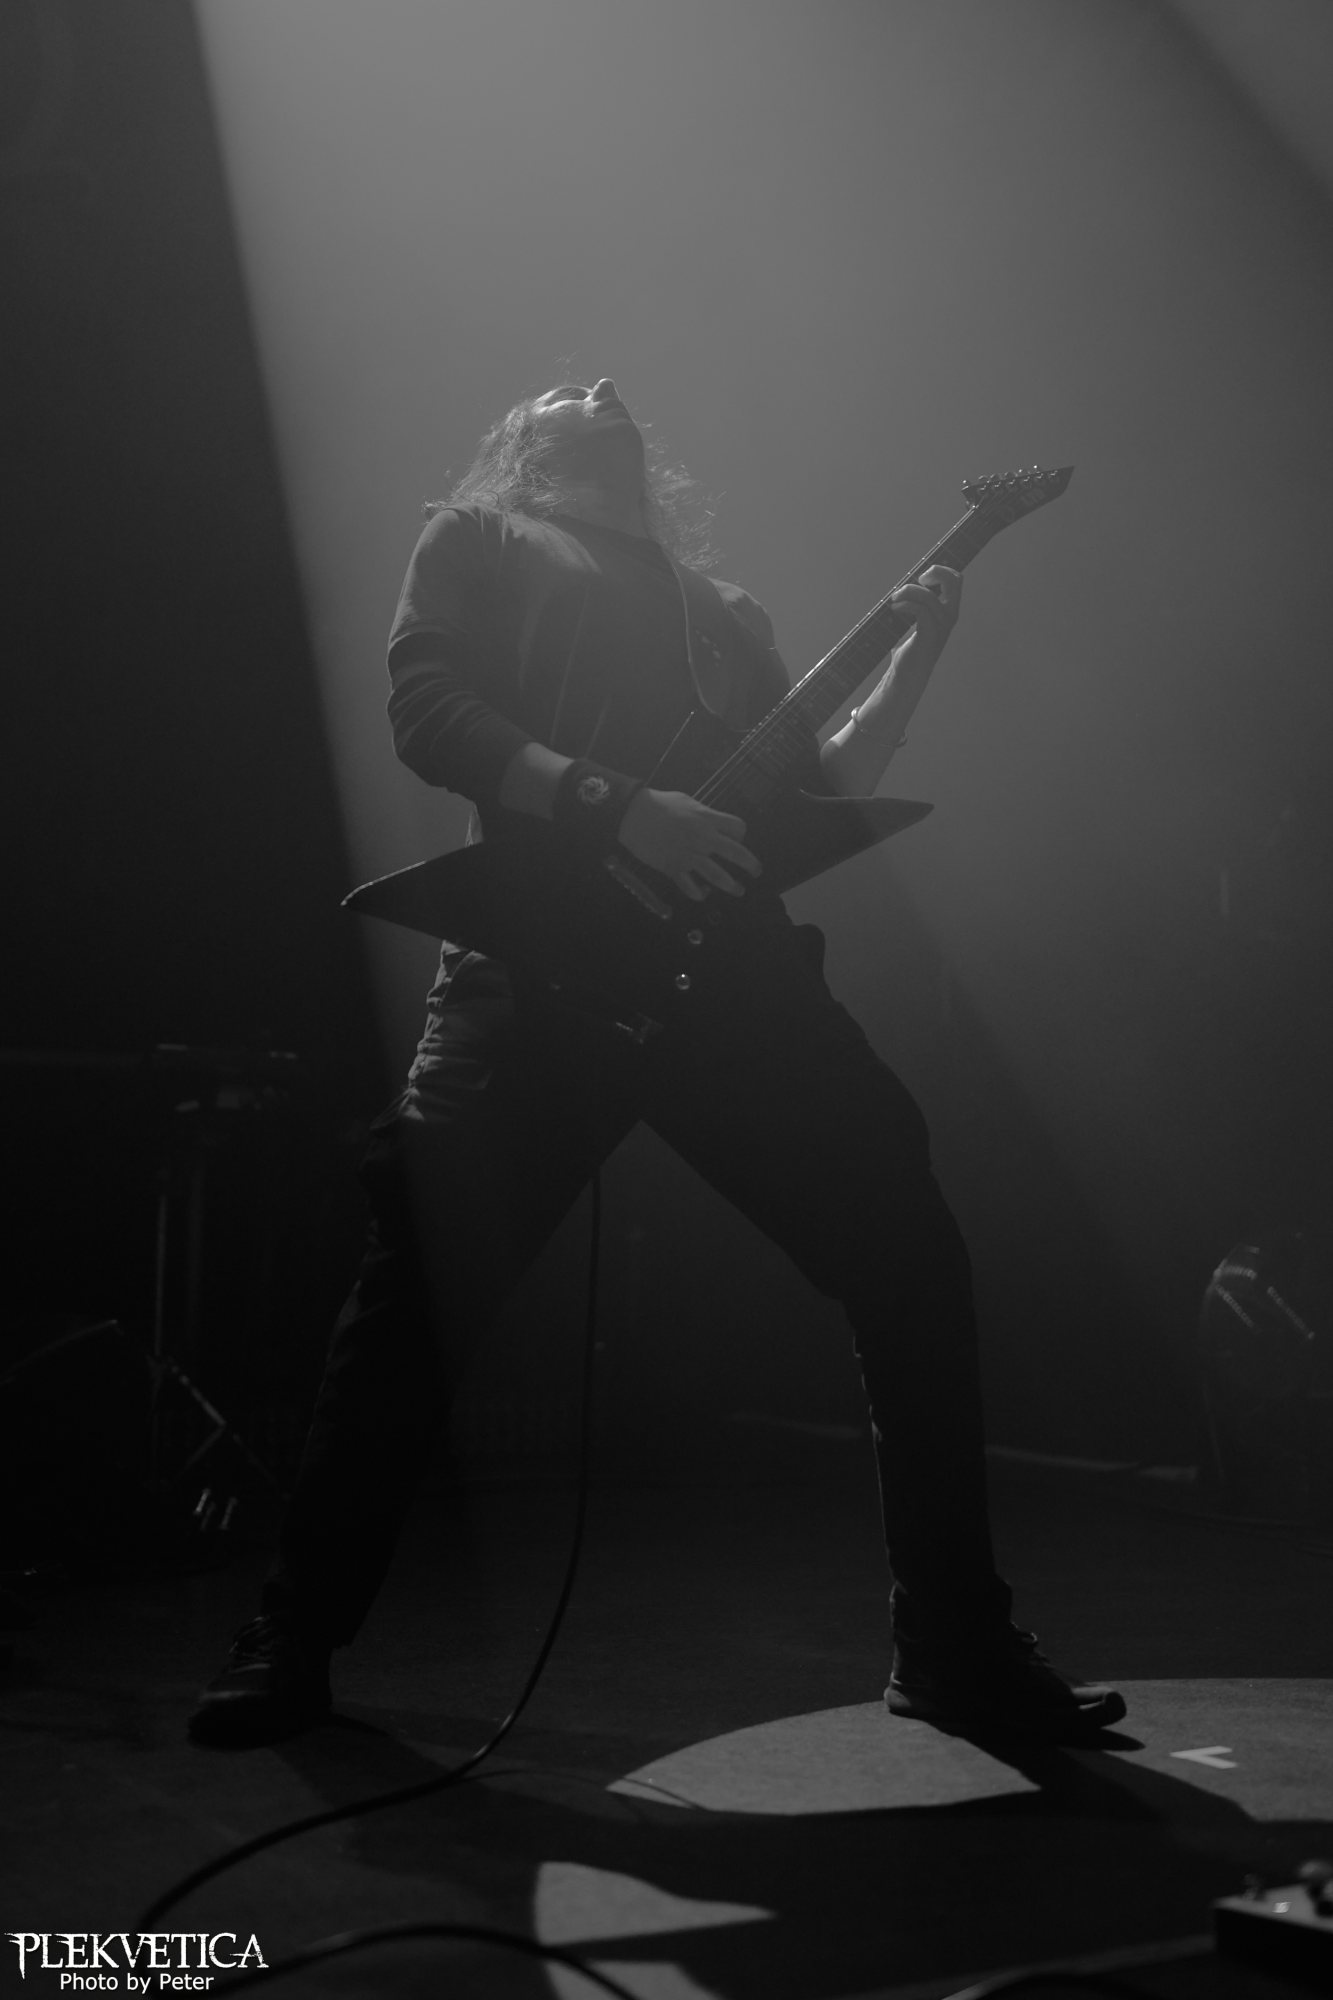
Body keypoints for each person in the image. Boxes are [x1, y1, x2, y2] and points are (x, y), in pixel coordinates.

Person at [190, 377, 1125, 1745]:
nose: (603, 386)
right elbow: (428, 715)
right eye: (568, 388)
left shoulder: (721, 610)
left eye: (615, 388)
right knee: (416, 1302)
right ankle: (291, 1636)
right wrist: (616, 805)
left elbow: (814, 781)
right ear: (522, 447)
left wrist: (918, 650)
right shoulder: (478, 537)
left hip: (732, 982)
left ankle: (953, 1642)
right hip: (536, 966)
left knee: (912, 1261)